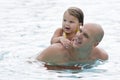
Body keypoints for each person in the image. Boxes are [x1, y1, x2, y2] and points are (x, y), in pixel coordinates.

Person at [36, 23, 108, 70]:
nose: (79, 36)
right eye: (80, 31)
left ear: (95, 44)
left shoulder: (101, 56)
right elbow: (34, 64)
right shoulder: (56, 51)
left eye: (85, 35)